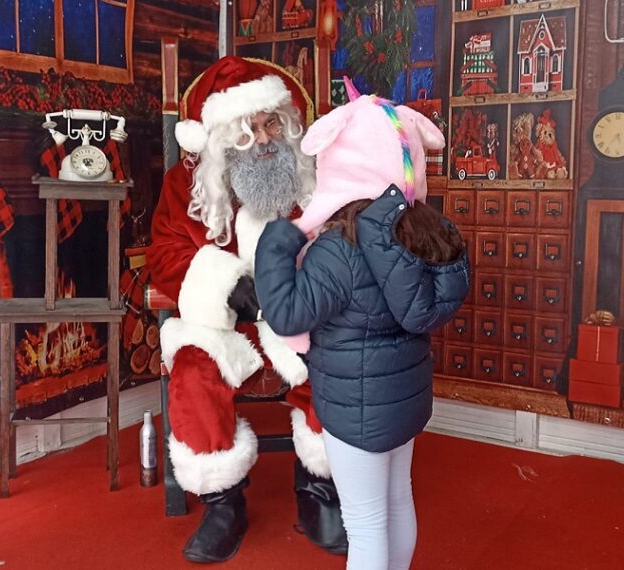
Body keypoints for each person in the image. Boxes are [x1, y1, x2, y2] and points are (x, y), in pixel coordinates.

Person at [254, 88, 472, 569]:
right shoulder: (422, 231)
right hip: (404, 399)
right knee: (398, 502)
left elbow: (288, 314)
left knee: (366, 522)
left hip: (355, 410)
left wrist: (277, 240)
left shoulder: (337, 249)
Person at [146, 56, 347, 564]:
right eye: (246, 129)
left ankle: (318, 486)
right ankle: (222, 503)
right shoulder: (183, 185)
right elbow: (165, 256)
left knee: (337, 359)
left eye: (271, 123)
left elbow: (341, 241)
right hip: (224, 327)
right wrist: (222, 282)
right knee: (192, 371)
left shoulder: (312, 177)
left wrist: (301, 288)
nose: (262, 139)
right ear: (219, 136)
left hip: (298, 318)